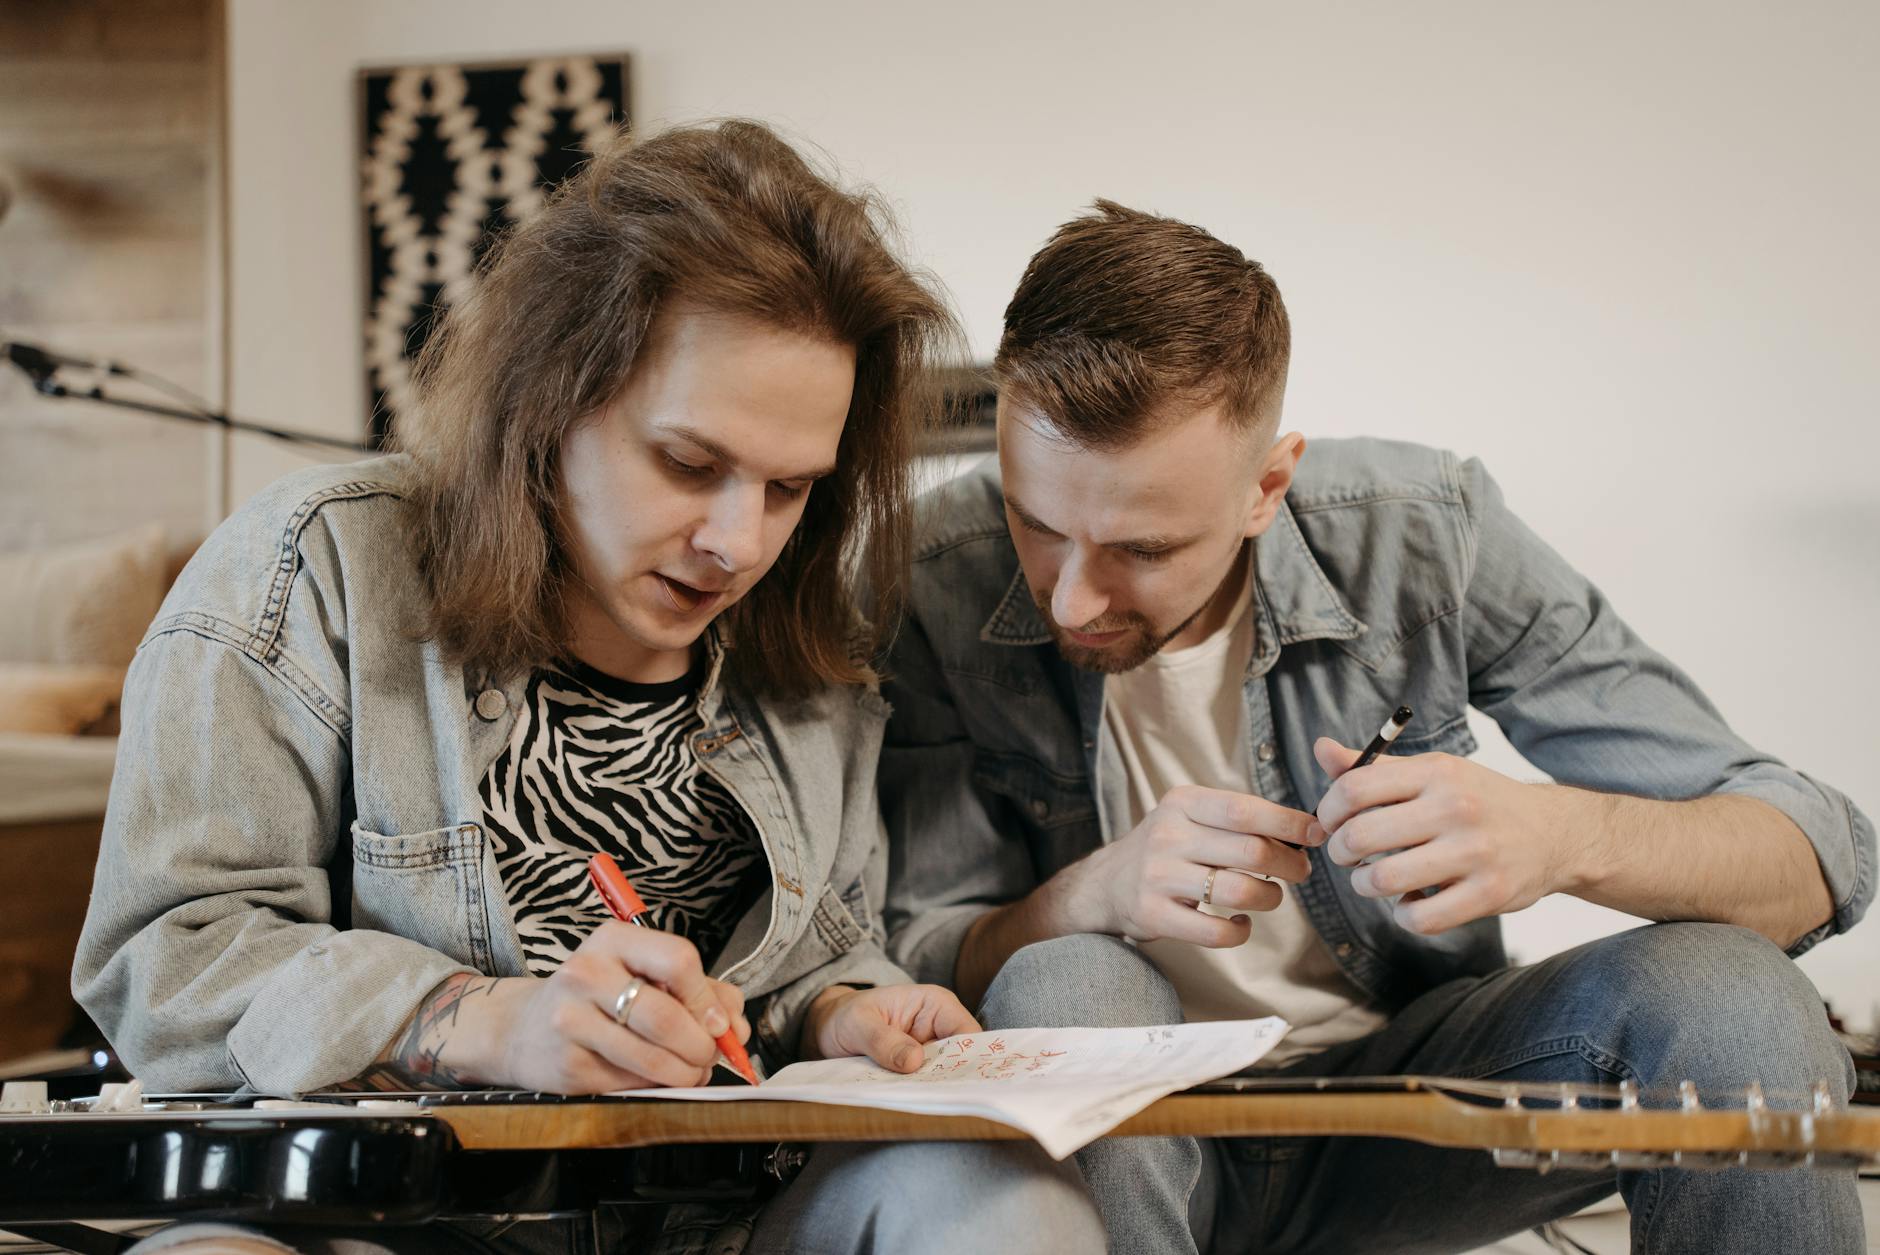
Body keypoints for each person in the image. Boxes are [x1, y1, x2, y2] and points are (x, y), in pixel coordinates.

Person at [72, 121, 1103, 1255]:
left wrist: (840, 1010)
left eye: (789, 487)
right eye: (689, 464)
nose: (736, 542)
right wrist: (477, 1019)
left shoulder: (809, 654)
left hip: (725, 1224)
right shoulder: (311, 572)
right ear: (552, 397)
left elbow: (810, 960)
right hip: (383, 1224)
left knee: (1013, 1209)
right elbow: (164, 960)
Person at [880, 199, 1875, 1254]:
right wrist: (1089, 893)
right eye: (1036, 523)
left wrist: (1557, 837)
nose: (1073, 600)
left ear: (1266, 485)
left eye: (1144, 547)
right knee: (1068, 974)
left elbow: (1816, 850)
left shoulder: (1425, 536)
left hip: (1408, 1113)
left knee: (1734, 994)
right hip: (1119, 1140)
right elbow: (913, 955)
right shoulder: (934, 577)